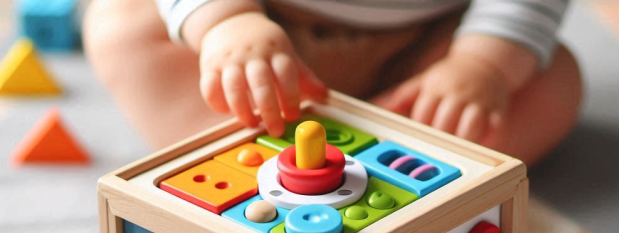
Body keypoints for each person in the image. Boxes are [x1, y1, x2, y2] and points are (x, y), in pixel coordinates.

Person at [83, 0, 582, 165]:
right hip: (266, 31)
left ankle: (409, 178)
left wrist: (485, 65)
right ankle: (250, 161)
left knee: (556, 84)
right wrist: (224, 21)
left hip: (434, 48)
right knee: (119, 25)